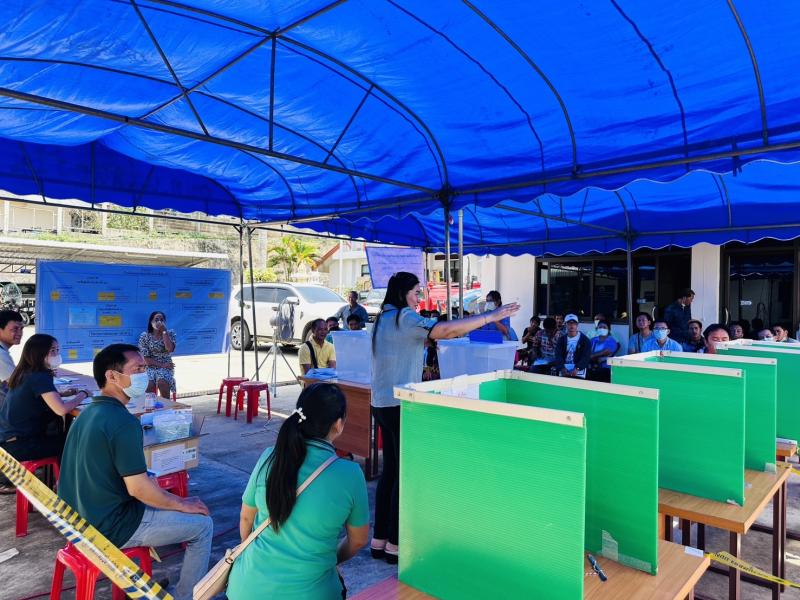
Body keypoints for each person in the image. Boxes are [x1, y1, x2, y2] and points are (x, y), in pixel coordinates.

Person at [370, 272, 518, 563]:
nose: (418, 298)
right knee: (404, 473)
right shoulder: (404, 317)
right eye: (415, 292)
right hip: (400, 403)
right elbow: (447, 331)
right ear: (402, 292)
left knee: (390, 472)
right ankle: (396, 544)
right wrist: (490, 316)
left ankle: (379, 540)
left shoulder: (382, 318)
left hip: (381, 402)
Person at [58, 344, 213, 600]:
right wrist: (181, 503)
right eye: (137, 369)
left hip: (78, 519)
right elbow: (138, 488)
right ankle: (187, 596)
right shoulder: (123, 422)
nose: (145, 375)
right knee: (203, 526)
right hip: (112, 525)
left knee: (157, 491)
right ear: (112, 376)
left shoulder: (86, 413)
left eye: (145, 368)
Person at [227, 383, 369, 600]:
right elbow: (357, 540)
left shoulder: (269, 457)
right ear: (338, 424)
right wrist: (329, 561)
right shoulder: (350, 474)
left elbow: (246, 518)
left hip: (246, 589)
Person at [0, 334, 89, 493]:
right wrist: (83, 394)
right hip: (19, 445)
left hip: (8, 440)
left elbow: (34, 396)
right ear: (39, 353)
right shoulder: (39, 377)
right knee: (75, 442)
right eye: (52, 351)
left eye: (57, 350)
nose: (57, 354)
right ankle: (66, 487)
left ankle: (61, 482)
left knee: (65, 437)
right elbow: (61, 410)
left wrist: (62, 394)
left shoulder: (25, 372)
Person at [138, 311, 176, 399]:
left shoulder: (170, 333)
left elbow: (170, 349)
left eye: (161, 320)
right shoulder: (145, 336)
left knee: (162, 383)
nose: (159, 322)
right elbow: (146, 359)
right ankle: (150, 405)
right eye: (156, 319)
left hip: (166, 366)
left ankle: (166, 405)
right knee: (149, 385)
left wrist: (164, 332)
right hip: (150, 366)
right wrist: (162, 365)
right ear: (151, 322)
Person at [552, 314, 591, 379]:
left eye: (574, 323)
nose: (572, 325)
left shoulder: (585, 340)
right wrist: (562, 368)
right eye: (569, 323)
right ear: (565, 324)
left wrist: (577, 368)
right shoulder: (561, 340)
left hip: (579, 371)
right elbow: (558, 355)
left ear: (577, 324)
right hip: (564, 370)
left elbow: (586, 357)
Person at [0, 310, 24, 382]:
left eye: (21, 329)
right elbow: (18, 383)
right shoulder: (1, 355)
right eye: (15, 329)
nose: (20, 333)